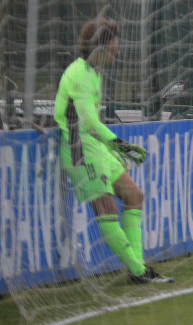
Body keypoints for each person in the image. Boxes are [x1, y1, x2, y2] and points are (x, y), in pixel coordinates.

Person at [54, 18, 174, 284]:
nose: (118, 53)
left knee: (135, 196)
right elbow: (87, 122)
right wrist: (123, 147)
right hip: (79, 149)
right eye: (114, 48)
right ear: (101, 48)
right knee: (107, 209)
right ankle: (140, 272)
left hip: (96, 147)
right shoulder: (79, 75)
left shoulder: (93, 72)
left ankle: (138, 268)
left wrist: (114, 150)